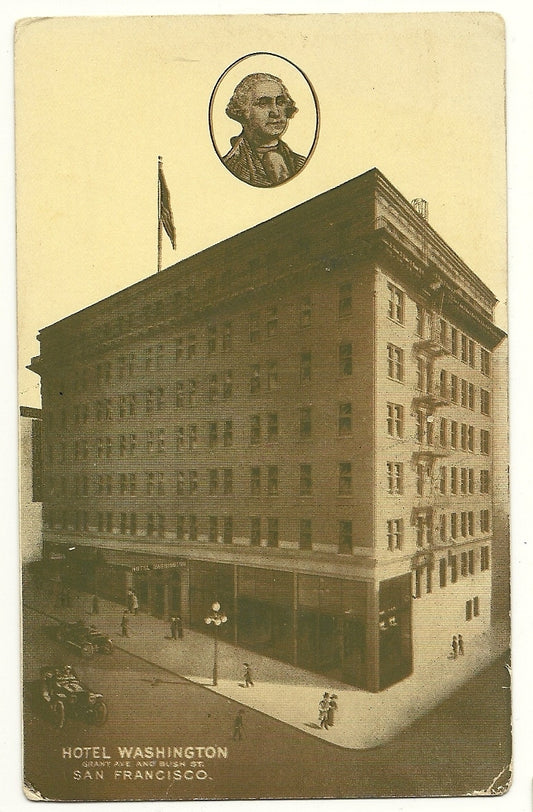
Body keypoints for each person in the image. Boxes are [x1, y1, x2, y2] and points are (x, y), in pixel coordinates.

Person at [222, 73, 307, 188]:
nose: (276, 112)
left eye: (280, 102)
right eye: (263, 103)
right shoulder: (231, 166)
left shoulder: (301, 163)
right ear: (243, 111)